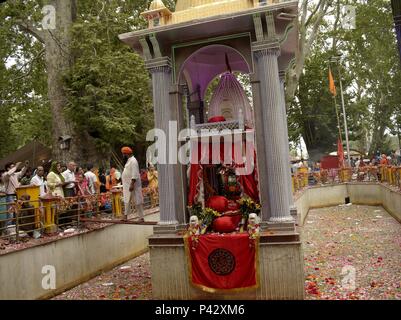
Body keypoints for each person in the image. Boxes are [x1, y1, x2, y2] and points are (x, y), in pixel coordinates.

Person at [121, 146, 144, 221]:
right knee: (126, 200)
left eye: (123, 154)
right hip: (127, 184)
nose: (123, 156)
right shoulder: (129, 160)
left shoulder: (133, 161)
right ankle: (125, 216)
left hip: (133, 185)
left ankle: (141, 217)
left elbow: (135, 173)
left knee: (137, 201)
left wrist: (132, 184)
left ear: (126, 154)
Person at [2, 161, 28, 227]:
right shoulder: (5, 175)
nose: (14, 168)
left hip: (16, 195)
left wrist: (25, 166)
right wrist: (16, 166)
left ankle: (14, 229)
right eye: (12, 166)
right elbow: (9, 173)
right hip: (10, 196)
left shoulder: (15, 174)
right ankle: (7, 230)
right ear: (8, 168)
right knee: (10, 214)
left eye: (14, 166)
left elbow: (22, 173)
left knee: (16, 213)